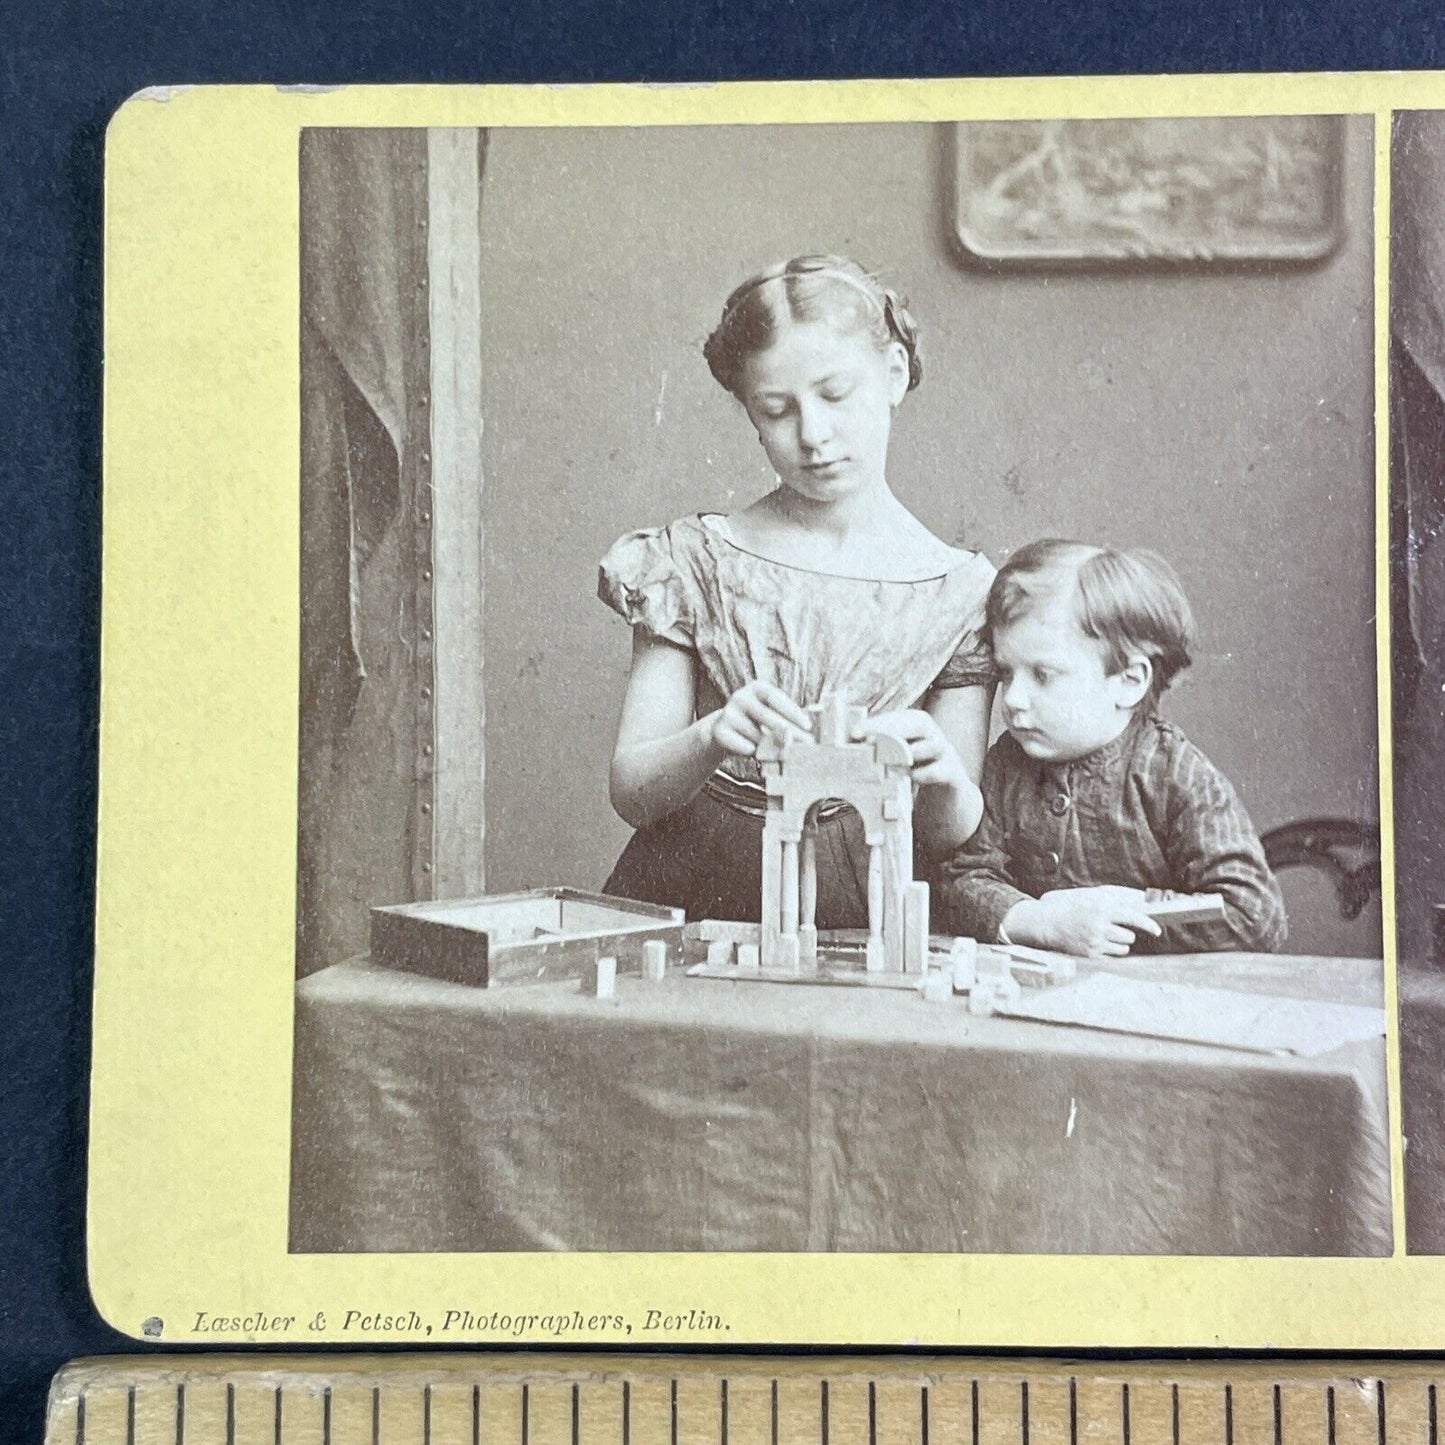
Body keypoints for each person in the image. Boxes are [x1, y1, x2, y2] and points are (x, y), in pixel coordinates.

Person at [597, 254, 997, 925]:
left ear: (893, 374)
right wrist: (713, 735)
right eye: (776, 410)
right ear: (748, 412)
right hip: (688, 890)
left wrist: (944, 774)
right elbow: (633, 793)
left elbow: (946, 832)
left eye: (835, 395)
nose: (812, 435)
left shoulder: (958, 592)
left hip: (865, 904)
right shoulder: (695, 561)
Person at [938, 539, 1288, 956]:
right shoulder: (1006, 765)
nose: (1012, 698)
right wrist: (1040, 921)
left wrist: (1126, 914)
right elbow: (960, 878)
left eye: (1043, 675)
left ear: (1128, 681)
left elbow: (1255, 914)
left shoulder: (1174, 774)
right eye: (1007, 672)